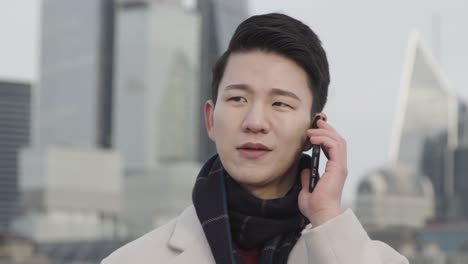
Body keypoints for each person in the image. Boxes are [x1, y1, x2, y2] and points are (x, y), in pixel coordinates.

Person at [102, 13, 409, 264]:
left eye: (280, 104)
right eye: (237, 99)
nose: (254, 122)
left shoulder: (354, 254)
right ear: (210, 119)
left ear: (314, 130)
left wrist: (327, 214)